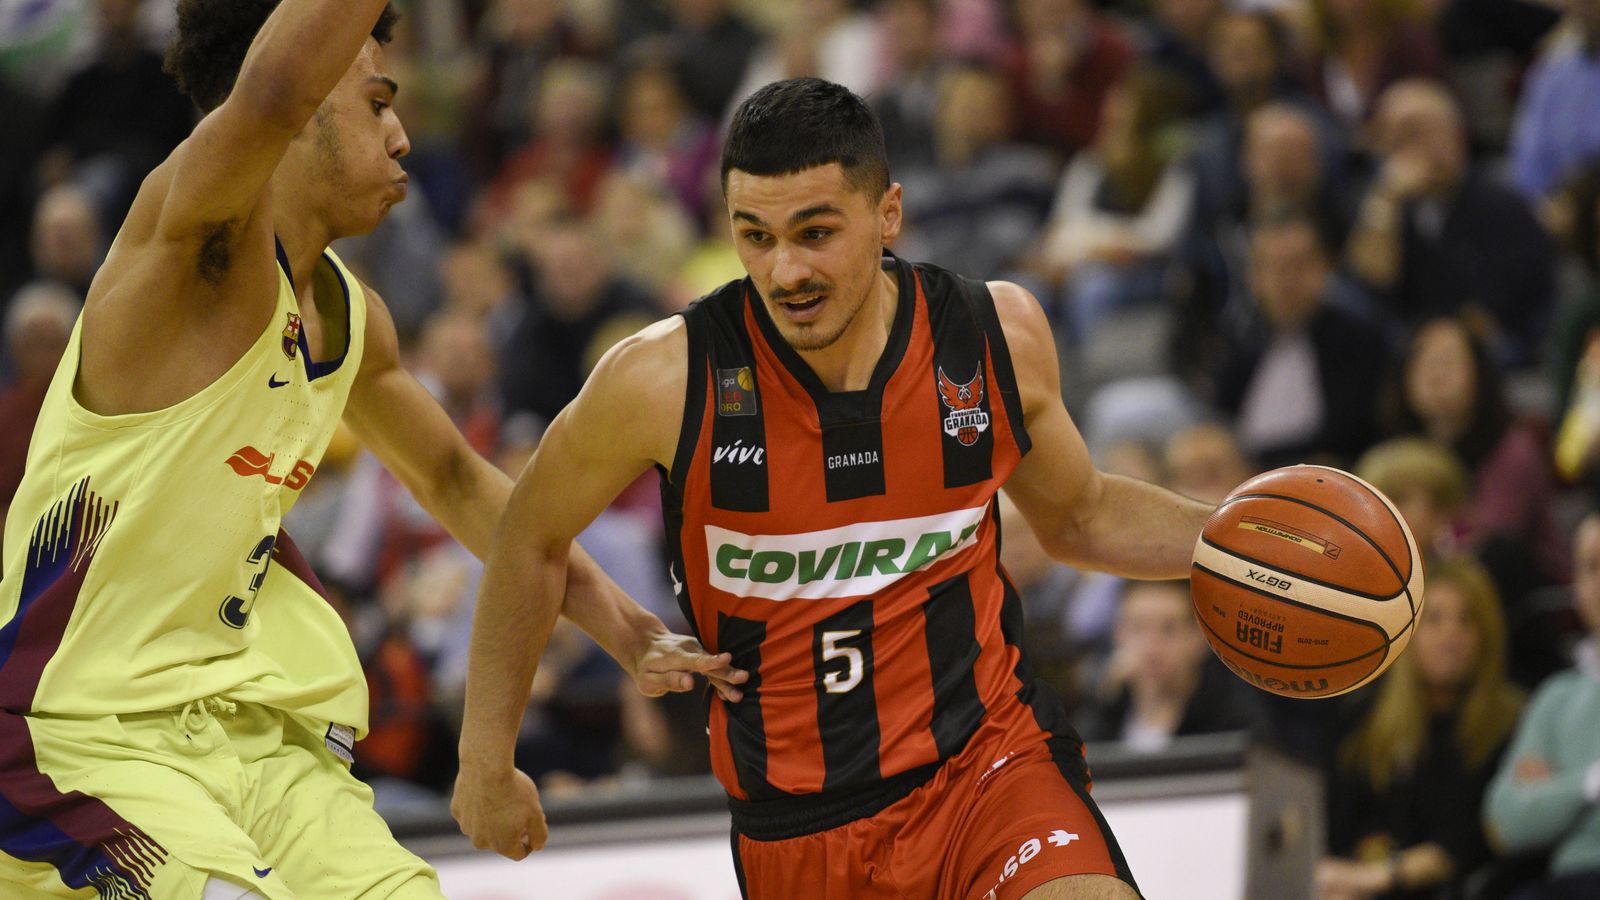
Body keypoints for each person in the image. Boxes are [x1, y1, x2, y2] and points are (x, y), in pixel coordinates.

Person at [0, 3, 735, 899]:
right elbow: (267, 91)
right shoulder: (190, 248)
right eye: (378, 104)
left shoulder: (351, 322)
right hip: (83, 738)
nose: (402, 139)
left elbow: (462, 480)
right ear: (306, 101)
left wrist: (630, 633)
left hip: (255, 735)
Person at [454, 76, 1219, 900]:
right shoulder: (662, 378)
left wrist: (1244, 544)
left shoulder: (992, 333)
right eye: (755, 236)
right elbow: (529, 535)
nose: (785, 271)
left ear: (888, 212)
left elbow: (1083, 516)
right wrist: (486, 760)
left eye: (815, 232)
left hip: (988, 770)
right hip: (798, 832)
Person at [1315, 557, 1524, 900]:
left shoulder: (1508, 724)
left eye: (1466, 620)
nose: (1450, 634)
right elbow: (1335, 827)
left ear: (1487, 634)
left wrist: (1378, 877)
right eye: (1434, 619)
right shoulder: (1363, 719)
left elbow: (1474, 840)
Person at [1484, 512, 1600, 900]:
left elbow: (1531, 809)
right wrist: (1589, 783)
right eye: (1592, 566)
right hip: (1572, 881)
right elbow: (1506, 822)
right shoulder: (1557, 696)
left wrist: (1553, 791)